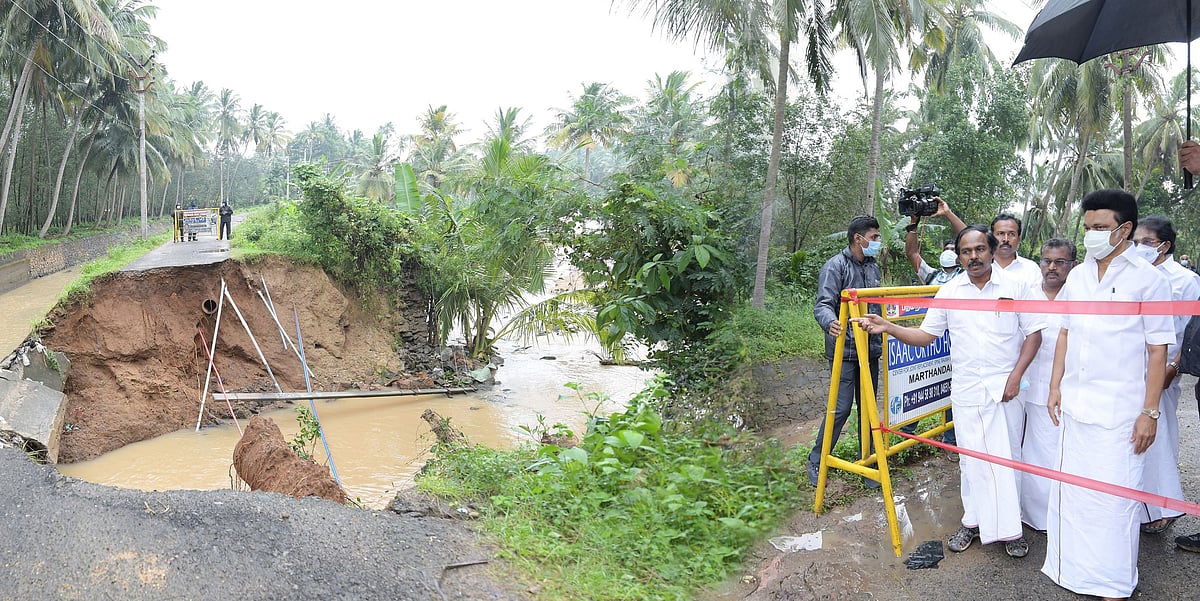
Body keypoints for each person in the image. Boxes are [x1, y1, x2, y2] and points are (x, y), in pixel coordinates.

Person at [858, 225, 1044, 559]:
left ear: (991, 250)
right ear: (958, 257)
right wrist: (888, 327)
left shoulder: (1016, 285)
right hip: (967, 390)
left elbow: (1034, 335)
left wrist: (1016, 377)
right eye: (966, 252)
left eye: (980, 249)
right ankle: (972, 523)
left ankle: (1011, 529)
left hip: (1007, 391)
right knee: (971, 462)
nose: (974, 257)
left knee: (1008, 460)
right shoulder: (950, 291)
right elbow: (926, 336)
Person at [1042, 190, 1173, 601]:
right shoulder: (1078, 276)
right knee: (1074, 495)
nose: (1091, 235)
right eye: (1087, 228)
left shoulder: (1149, 280)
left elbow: (1158, 351)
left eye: (1100, 227)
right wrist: (1054, 386)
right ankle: (1073, 572)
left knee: (1115, 502)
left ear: (1125, 229)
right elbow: (1065, 332)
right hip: (1076, 407)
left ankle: (1114, 584)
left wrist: (1150, 412)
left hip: (1120, 413)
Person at [1133, 217, 1200, 534]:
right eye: (1135, 242)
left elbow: (1189, 330)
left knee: (1160, 437)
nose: (1138, 247)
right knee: (1136, 438)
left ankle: (1165, 507)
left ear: (1164, 245)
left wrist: (1174, 368)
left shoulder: (1185, 280)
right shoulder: (1135, 273)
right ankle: (1142, 506)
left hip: (1166, 367)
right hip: (1133, 366)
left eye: (1145, 242)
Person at [808, 216, 884, 489]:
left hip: (870, 349)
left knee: (868, 409)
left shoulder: (873, 267)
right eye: (874, 237)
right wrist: (830, 322)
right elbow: (823, 304)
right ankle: (817, 460)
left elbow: (877, 304)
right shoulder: (835, 266)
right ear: (858, 239)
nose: (877, 242)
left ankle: (868, 464)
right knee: (840, 409)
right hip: (846, 350)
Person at [1019, 237, 1076, 532]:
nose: (1052, 267)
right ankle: (1031, 516)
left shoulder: (1079, 296)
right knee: (1028, 452)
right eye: (1047, 261)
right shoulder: (1025, 293)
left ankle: (1059, 517)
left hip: (1065, 390)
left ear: (1072, 265)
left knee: (1058, 454)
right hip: (1026, 387)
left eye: (1060, 262)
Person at [904, 201, 965, 453]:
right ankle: (907, 433)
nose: (948, 252)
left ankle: (950, 440)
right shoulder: (932, 276)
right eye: (946, 249)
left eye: (953, 249)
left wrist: (949, 214)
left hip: (956, 341)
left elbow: (972, 237)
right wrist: (913, 224)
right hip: (932, 340)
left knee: (952, 386)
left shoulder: (966, 277)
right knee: (924, 383)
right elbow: (912, 254)